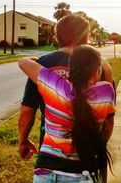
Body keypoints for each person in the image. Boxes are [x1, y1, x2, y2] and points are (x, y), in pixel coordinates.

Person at [18, 14, 114, 161]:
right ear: (86, 36)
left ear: (57, 37)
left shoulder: (42, 65)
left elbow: (27, 110)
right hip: (89, 151)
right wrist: (101, 145)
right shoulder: (101, 66)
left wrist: (23, 140)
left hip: (51, 146)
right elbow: (109, 119)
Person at [18, 45, 115, 182]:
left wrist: (38, 60)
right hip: (83, 173)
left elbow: (23, 62)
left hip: (46, 172)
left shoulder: (53, 85)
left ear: (70, 70)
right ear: (96, 72)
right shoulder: (106, 91)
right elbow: (109, 124)